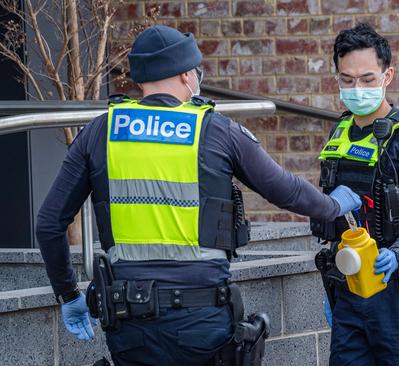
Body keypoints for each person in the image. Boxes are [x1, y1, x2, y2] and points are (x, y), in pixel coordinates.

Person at [36, 24, 360, 366]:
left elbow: (49, 224)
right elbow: (286, 190)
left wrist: (69, 295)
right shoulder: (216, 130)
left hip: (128, 321)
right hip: (202, 320)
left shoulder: (100, 131)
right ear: (186, 74)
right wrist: (333, 204)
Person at [311, 23, 399, 365]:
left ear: (387, 76)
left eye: (367, 79)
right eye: (347, 79)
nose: (357, 88)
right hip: (349, 290)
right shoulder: (340, 133)